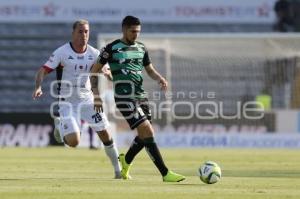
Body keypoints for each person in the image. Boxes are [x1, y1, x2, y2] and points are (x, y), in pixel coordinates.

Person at [90, 15, 185, 182]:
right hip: (124, 97)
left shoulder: (141, 48)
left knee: (144, 135)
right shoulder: (111, 48)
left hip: (141, 96)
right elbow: (94, 70)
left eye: (138, 31)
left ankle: (125, 162)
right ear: (124, 30)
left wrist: (160, 78)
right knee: (147, 131)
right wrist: (96, 95)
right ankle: (165, 173)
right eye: (132, 31)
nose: (136, 35)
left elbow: (149, 70)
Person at [32, 19, 121, 179]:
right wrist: (38, 87)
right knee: (73, 142)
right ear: (73, 33)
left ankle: (118, 170)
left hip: (87, 100)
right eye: (80, 31)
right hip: (67, 101)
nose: (84, 35)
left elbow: (108, 73)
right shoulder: (62, 52)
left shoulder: (94, 53)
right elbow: (42, 71)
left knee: (106, 135)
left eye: (86, 31)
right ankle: (59, 125)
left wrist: (109, 74)